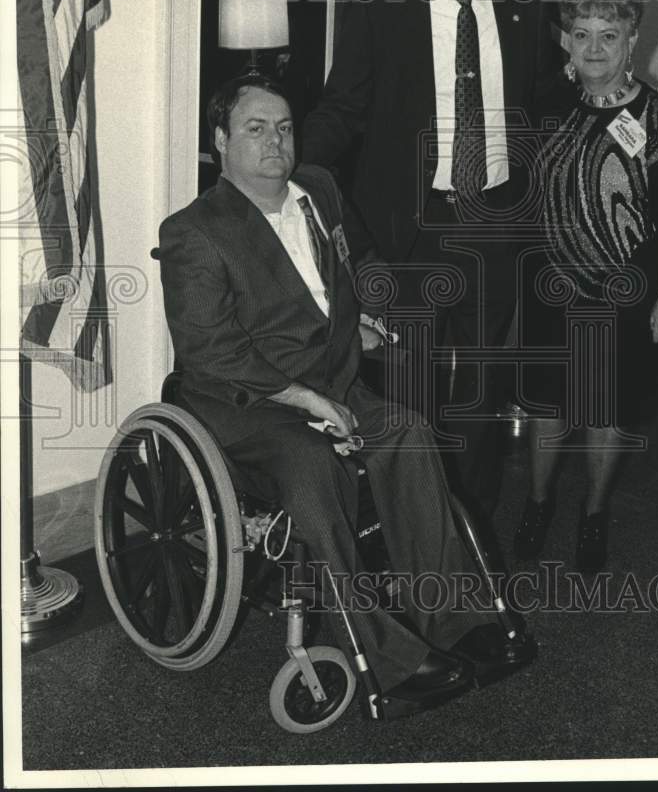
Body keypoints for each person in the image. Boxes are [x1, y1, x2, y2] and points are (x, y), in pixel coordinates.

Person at [158, 73, 536, 714]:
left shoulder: (320, 189)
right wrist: (305, 401)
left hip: (333, 379)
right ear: (220, 139)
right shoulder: (195, 231)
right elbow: (210, 349)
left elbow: (351, 262)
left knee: (409, 432)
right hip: (242, 405)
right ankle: (388, 658)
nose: (275, 141)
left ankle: (454, 620)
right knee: (313, 467)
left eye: (283, 127)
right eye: (255, 128)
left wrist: (368, 310)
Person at [303, 0, 550, 528]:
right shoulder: (381, 4)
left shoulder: (529, 6)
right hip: (410, 225)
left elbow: (550, 110)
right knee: (410, 382)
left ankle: (472, 526)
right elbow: (343, 108)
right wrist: (291, 166)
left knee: (485, 380)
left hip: (497, 219)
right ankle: (415, 524)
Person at [515, 0, 658, 571]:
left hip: (627, 292)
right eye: (581, 33)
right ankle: (538, 502)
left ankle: (593, 512)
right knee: (549, 403)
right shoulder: (543, 105)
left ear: (633, 40)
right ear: (565, 38)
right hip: (551, 287)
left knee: (608, 406)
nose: (594, 47)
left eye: (609, 34)